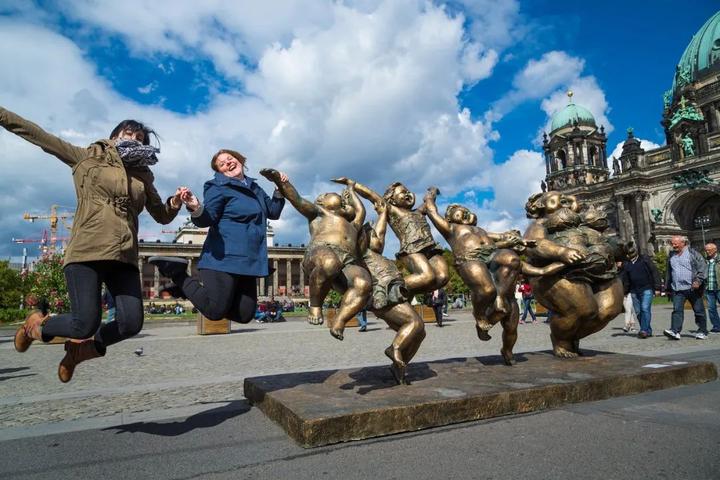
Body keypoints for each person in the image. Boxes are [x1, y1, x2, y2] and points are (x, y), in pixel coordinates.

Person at [3, 106, 185, 382]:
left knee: (131, 323)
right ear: (114, 136)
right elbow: (38, 135)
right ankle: (36, 326)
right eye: (128, 133)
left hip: (124, 256)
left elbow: (161, 214)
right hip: (87, 250)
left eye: (140, 138)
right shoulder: (87, 157)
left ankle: (80, 352)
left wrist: (175, 202)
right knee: (84, 323)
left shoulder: (143, 175)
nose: (135, 139)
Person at [149, 150, 286, 326]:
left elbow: (273, 212)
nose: (228, 163)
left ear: (240, 160)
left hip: (249, 260)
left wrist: (279, 189)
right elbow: (208, 219)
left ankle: (188, 290)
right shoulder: (216, 187)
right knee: (214, 311)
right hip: (223, 257)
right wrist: (196, 207)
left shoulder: (254, 187)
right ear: (220, 171)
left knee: (245, 315)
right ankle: (178, 275)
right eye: (222, 164)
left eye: (230, 158)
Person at [664, 235, 708, 340]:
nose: (673, 245)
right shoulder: (671, 255)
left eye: (675, 244)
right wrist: (668, 287)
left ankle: (702, 331)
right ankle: (675, 331)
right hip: (677, 288)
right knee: (677, 310)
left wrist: (698, 281)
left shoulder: (693, 253)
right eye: (672, 243)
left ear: (683, 243)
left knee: (699, 311)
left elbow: (702, 267)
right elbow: (669, 272)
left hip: (693, 288)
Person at [620, 245, 661, 338]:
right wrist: (625, 291)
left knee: (645, 309)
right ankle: (647, 330)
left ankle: (643, 330)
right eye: (628, 254)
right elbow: (626, 279)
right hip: (634, 291)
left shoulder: (644, 259)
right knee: (638, 312)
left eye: (631, 253)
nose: (630, 255)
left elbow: (654, 272)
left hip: (647, 288)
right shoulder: (626, 264)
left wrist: (657, 287)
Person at [704, 242, 720, 333]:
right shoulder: (705, 261)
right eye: (706, 250)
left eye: (709, 250)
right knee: (711, 309)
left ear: (715, 250)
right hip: (709, 289)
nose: (707, 252)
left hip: (719, 288)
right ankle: (717, 327)